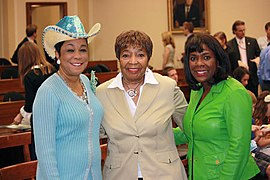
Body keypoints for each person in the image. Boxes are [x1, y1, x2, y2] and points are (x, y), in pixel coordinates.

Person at [96, 30, 188, 180]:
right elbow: (92, 135)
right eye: (126, 55)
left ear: (148, 58)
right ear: (118, 58)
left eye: (140, 55)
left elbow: (191, 127)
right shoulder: (102, 93)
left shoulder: (167, 88)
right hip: (119, 175)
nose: (133, 61)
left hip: (165, 174)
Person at [174, 33, 259, 179]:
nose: (199, 63)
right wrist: (155, 133)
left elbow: (239, 148)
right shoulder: (198, 90)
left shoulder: (234, 92)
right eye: (193, 58)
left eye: (206, 57)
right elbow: (192, 129)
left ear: (218, 60)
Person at [33, 15, 103, 179]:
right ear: (57, 54)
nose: (78, 56)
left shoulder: (85, 81)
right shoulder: (48, 92)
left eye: (83, 49)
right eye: (70, 50)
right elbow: (45, 155)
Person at [12, 41, 56, 160]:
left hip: (41, 125)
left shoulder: (30, 76)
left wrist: (21, 114)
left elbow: (30, 107)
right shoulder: (51, 69)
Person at [227, 20, 261, 96]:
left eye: (244, 30)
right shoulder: (230, 45)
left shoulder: (252, 41)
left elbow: (259, 55)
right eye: (240, 30)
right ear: (234, 31)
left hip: (252, 76)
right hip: (238, 77)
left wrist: (257, 59)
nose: (243, 32)